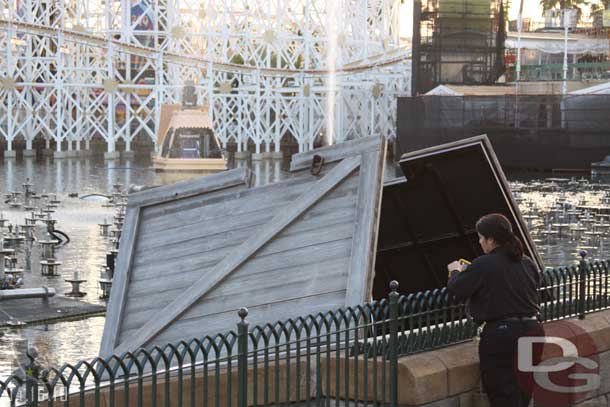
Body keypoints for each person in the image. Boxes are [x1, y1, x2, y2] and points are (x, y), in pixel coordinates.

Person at [447, 213, 543, 407]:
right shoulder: (527, 262)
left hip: (502, 336)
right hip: (533, 330)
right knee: (522, 392)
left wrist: (455, 271)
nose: (480, 243)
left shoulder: (484, 263)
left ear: (491, 239)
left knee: (502, 393)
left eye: (481, 238)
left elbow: (457, 289)